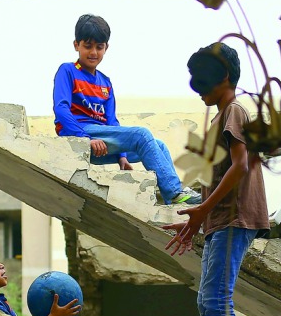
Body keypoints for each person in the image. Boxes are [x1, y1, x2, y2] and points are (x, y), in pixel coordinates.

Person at [164, 43, 269, 316]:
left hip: (234, 218)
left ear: (223, 76)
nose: (197, 85)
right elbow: (224, 171)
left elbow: (240, 166)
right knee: (207, 301)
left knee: (215, 300)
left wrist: (204, 211)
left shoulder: (233, 111)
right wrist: (197, 217)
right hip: (219, 220)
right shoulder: (222, 116)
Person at [53, 13, 201, 206]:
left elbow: (111, 122)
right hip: (78, 136)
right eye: (87, 46)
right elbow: (61, 109)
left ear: (106, 48)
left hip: (103, 142)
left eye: (99, 47)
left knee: (159, 145)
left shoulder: (105, 82)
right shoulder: (67, 70)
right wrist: (86, 138)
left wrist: (122, 156)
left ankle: (172, 202)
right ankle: (175, 191)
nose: (93, 52)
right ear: (76, 45)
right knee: (141, 134)